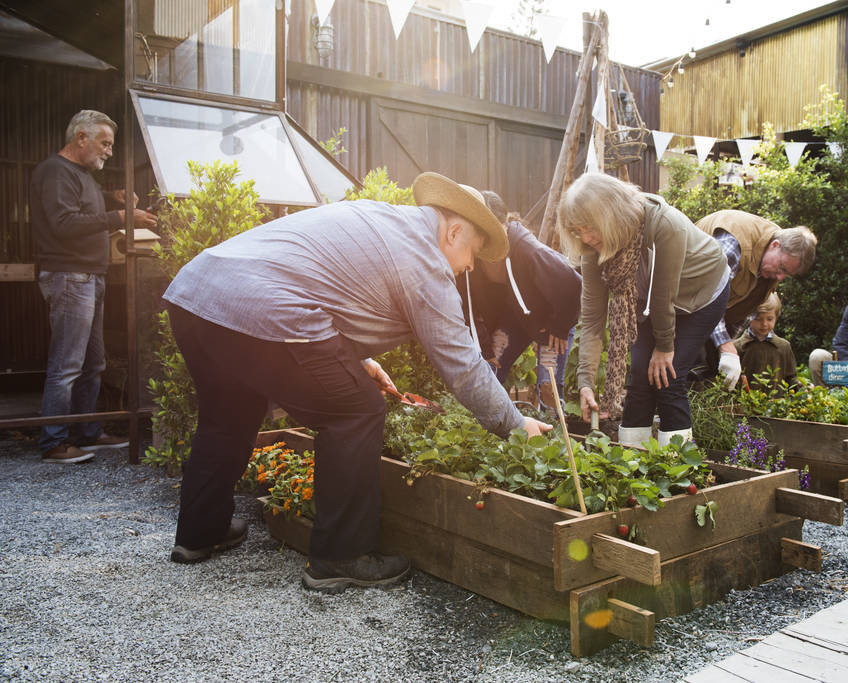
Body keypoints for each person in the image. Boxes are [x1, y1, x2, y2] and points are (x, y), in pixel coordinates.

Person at [161, 172, 551, 592]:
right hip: (262, 309)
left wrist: (360, 359)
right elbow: (462, 364)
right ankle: (341, 557)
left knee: (229, 413)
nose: (471, 265)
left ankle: (200, 532)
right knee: (357, 410)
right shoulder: (423, 258)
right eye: (473, 252)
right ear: (454, 231)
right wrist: (516, 425)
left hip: (196, 297)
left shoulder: (380, 218)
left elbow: (320, 282)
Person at [558, 173, 729, 448]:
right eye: (578, 230)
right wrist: (586, 381)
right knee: (639, 375)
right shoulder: (591, 248)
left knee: (667, 378)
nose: (586, 237)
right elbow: (591, 320)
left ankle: (677, 469)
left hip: (701, 295)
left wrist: (664, 346)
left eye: (590, 227)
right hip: (648, 300)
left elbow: (664, 296)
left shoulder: (664, 225)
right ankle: (632, 464)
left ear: (611, 214)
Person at [30, 109, 157, 464]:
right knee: (68, 363)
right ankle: (53, 442)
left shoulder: (79, 175)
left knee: (93, 363)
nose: (109, 151)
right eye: (105, 143)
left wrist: (112, 197)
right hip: (71, 277)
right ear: (80, 138)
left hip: (88, 277)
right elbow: (65, 223)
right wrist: (119, 217)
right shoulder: (55, 172)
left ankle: (87, 432)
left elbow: (84, 203)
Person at [457, 191, 581, 412]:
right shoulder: (471, 254)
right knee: (488, 372)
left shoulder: (527, 248)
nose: (490, 242)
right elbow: (468, 307)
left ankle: (554, 439)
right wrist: (485, 348)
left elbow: (572, 284)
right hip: (516, 317)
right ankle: (487, 432)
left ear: (504, 225)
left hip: (550, 319)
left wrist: (560, 327)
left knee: (548, 387)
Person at [694, 209, 817, 391]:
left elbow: (742, 311)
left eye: (787, 274)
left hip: (703, 316)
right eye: (781, 267)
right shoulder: (735, 246)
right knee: (679, 372)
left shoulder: (767, 272)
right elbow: (706, 295)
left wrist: (723, 352)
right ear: (775, 245)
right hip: (681, 304)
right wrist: (725, 346)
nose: (780, 277)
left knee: (709, 374)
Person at [733, 293, 798, 393]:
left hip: (776, 405)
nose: (764, 324)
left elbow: (791, 378)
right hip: (744, 406)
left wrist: (802, 388)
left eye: (769, 319)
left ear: (776, 317)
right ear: (748, 317)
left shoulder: (784, 347)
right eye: (758, 319)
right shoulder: (737, 347)